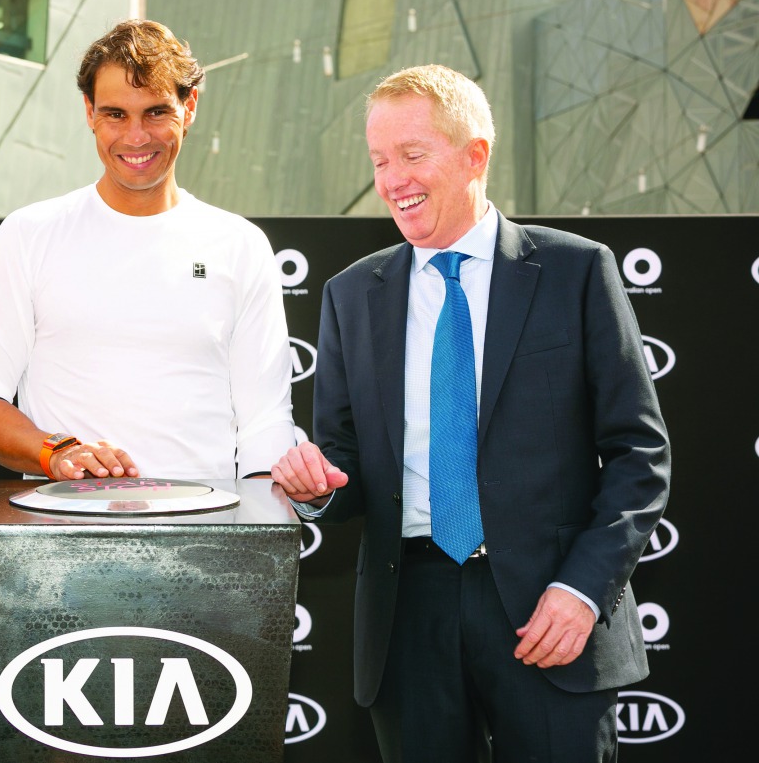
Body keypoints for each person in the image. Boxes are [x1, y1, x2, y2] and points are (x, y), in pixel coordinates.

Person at [271, 65, 670, 762]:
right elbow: (348, 467)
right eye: (379, 160)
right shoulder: (349, 294)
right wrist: (314, 490)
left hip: (551, 611)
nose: (392, 178)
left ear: (474, 154)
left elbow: (640, 455)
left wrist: (581, 589)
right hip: (407, 615)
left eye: (412, 155)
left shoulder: (577, 272)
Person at [0, 19, 293, 482]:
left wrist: (255, 534)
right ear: (89, 111)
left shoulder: (241, 245)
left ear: (189, 106)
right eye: (116, 114)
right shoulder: (29, 233)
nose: (136, 136)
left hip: (204, 538)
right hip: (58, 537)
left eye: (156, 112)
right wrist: (57, 452)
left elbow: (266, 421)